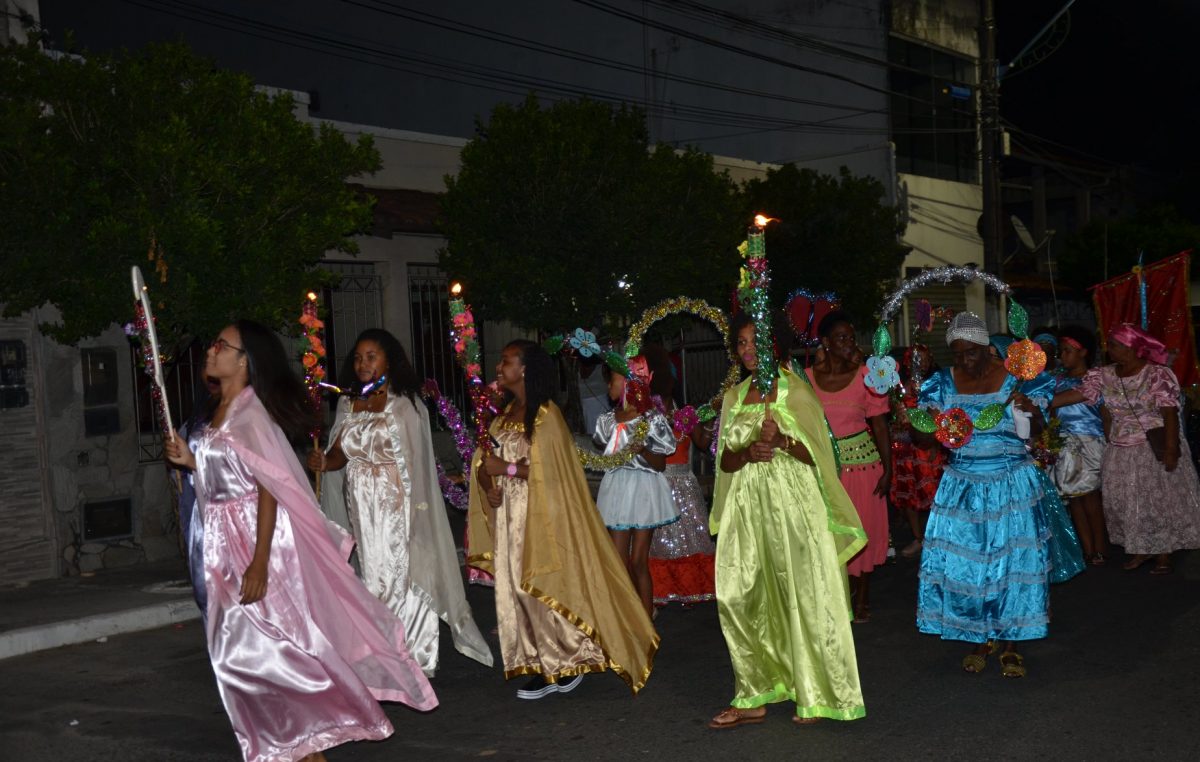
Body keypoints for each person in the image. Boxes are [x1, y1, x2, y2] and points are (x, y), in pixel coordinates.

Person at [164, 321, 437, 762]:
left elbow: (269, 488)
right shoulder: (218, 408)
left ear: (243, 360)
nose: (211, 351)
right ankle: (292, 745)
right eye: (213, 343)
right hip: (219, 544)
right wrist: (191, 461)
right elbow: (225, 476)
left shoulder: (249, 413)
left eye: (221, 345)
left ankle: (301, 742)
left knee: (263, 653)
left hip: (253, 543)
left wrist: (258, 562)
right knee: (237, 656)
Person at [467, 340, 658, 700]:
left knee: (543, 585)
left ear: (524, 369)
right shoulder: (502, 416)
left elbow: (552, 473)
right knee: (517, 589)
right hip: (509, 514)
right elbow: (483, 461)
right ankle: (541, 659)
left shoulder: (545, 415)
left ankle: (566, 659)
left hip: (540, 513)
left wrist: (504, 468)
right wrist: (487, 484)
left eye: (506, 361)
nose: (498, 367)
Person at [707, 314, 866, 729]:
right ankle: (753, 694)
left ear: (773, 344)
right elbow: (724, 458)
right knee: (739, 595)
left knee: (803, 595)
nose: (746, 351)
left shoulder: (797, 392)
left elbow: (818, 457)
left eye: (753, 342)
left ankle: (813, 692)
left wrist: (781, 442)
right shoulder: (735, 397)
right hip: (747, 505)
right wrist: (746, 454)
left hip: (795, 505)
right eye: (739, 344)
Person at [307, 329, 492, 676]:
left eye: (371, 356)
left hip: (398, 500)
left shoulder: (404, 404)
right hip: (360, 501)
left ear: (389, 360)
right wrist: (322, 462)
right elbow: (338, 456)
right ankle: (382, 651)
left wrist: (418, 511)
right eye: (359, 357)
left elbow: (416, 463)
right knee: (372, 575)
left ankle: (415, 655)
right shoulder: (348, 402)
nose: (363, 363)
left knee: (404, 575)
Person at [916, 312, 1054, 678]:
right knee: (971, 567)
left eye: (971, 354)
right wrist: (924, 424)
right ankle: (980, 638)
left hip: (1011, 484)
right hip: (962, 486)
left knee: (1012, 566)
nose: (963, 361)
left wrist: (1030, 412)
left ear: (986, 348)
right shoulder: (941, 384)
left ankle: (1010, 644)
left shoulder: (1016, 380)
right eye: (957, 354)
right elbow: (925, 438)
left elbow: (1036, 430)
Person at [1050, 324, 1200, 574]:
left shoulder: (1156, 374)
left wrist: (1172, 449)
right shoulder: (1103, 375)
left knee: (1156, 502)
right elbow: (1077, 395)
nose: (1110, 349)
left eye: (1116, 345)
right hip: (1120, 448)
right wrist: (1040, 400)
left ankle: (1163, 553)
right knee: (1128, 503)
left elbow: (1169, 412)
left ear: (1133, 348)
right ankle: (1140, 549)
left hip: (1152, 447)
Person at [805, 310, 891, 623]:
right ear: (825, 342)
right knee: (827, 535)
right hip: (824, 470)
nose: (848, 343)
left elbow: (880, 426)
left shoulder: (867, 376)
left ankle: (863, 596)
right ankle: (834, 594)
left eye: (851, 338)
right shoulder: (806, 379)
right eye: (841, 338)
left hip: (863, 467)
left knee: (861, 532)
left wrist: (888, 469)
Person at [593, 355, 678, 617]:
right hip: (618, 489)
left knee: (638, 561)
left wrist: (641, 448)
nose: (609, 385)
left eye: (614, 379)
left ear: (631, 382)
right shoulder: (608, 420)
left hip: (643, 490)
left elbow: (660, 464)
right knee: (618, 563)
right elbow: (604, 450)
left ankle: (646, 619)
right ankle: (629, 617)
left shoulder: (650, 419)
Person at [643, 343, 717, 607]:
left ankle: (689, 590)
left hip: (685, 484)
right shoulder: (647, 415)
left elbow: (702, 443)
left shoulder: (685, 413)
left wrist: (709, 421)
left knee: (688, 539)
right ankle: (660, 590)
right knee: (659, 541)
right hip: (658, 483)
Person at [1050, 326, 1108, 564]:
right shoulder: (1057, 380)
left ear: (1083, 352)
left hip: (1089, 443)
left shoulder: (1094, 379)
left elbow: (1102, 413)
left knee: (1091, 498)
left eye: (1067, 351)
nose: (1062, 356)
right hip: (1064, 443)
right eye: (1061, 351)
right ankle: (1086, 549)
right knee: (1074, 499)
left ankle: (1100, 547)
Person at [890, 344, 946, 559]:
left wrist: (935, 444)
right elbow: (896, 416)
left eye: (924, 358)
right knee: (908, 495)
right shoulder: (899, 388)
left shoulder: (937, 384)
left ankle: (937, 537)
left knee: (934, 495)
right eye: (915, 359)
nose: (920, 363)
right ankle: (919, 538)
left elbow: (939, 416)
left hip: (927, 447)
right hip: (905, 446)